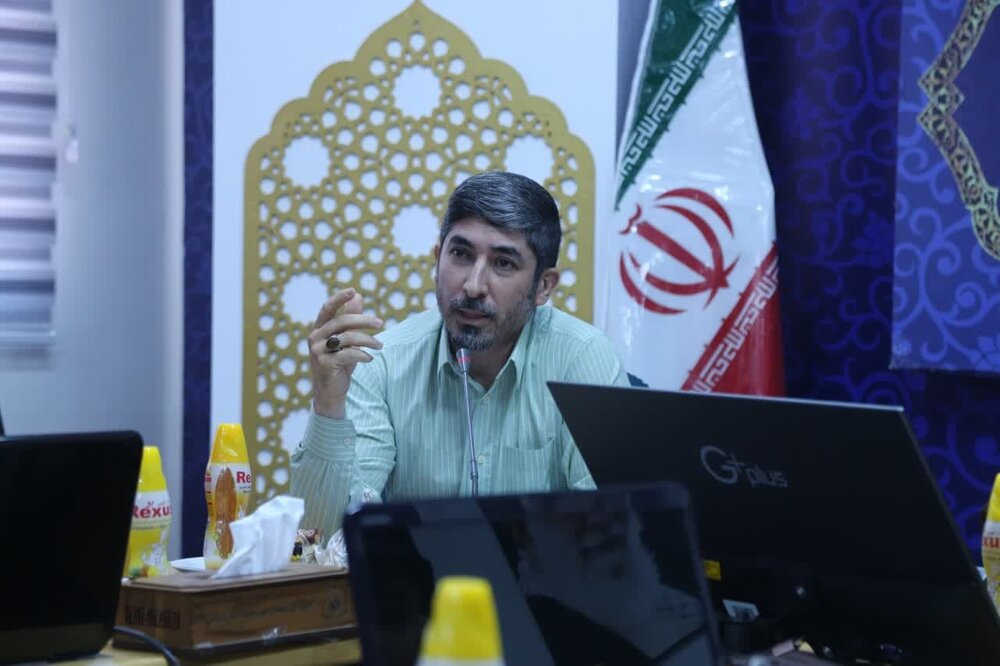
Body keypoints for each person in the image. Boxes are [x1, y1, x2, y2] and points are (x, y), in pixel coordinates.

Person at [291, 171, 628, 536]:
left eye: (503, 263)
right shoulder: (382, 363)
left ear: (543, 286)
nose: (473, 286)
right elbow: (321, 536)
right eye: (461, 254)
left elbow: (612, 531)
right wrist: (328, 403)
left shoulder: (582, 359)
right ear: (438, 259)